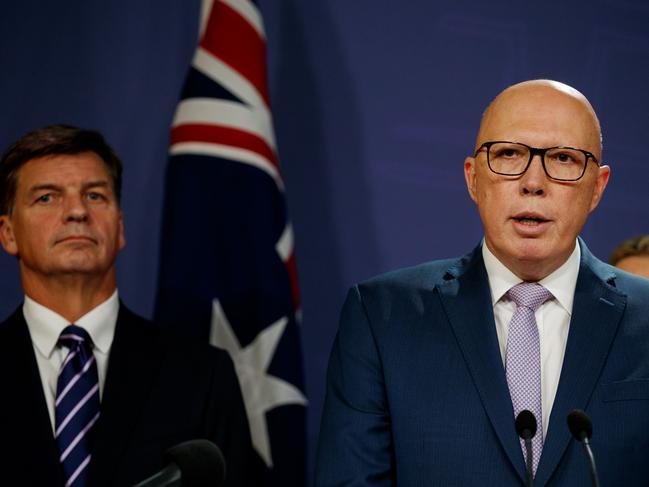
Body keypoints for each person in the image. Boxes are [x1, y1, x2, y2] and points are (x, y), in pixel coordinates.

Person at [315, 80, 649, 486]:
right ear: (473, 178)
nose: (533, 182)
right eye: (509, 154)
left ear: (598, 187)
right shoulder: (383, 317)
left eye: (563, 158)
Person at [0, 125, 254, 487]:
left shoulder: (201, 375)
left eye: (95, 196)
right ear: (8, 233)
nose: (76, 212)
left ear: (119, 229)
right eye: (47, 197)